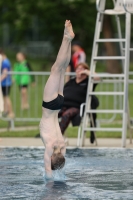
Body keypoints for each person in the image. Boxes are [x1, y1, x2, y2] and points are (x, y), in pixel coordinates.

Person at [39, 20, 75, 179]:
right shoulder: (50, 145)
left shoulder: (62, 144)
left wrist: (59, 168)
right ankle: (66, 37)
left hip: (59, 103)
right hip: (49, 105)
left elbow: (61, 161)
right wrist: (49, 179)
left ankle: (67, 38)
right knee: (56, 68)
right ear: (52, 157)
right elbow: (48, 167)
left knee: (61, 68)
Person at [58, 62, 100, 144]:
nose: (79, 70)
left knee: (67, 114)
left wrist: (86, 72)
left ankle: (58, 137)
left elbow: (97, 78)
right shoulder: (71, 82)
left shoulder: (89, 82)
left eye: (81, 69)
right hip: (65, 104)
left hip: (77, 107)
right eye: (77, 69)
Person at [0, 49, 14, 118]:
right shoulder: (6, 61)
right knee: (5, 97)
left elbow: (4, 74)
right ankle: (6, 111)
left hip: (5, 83)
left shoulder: (5, 62)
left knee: (6, 97)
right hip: (6, 83)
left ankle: (11, 112)